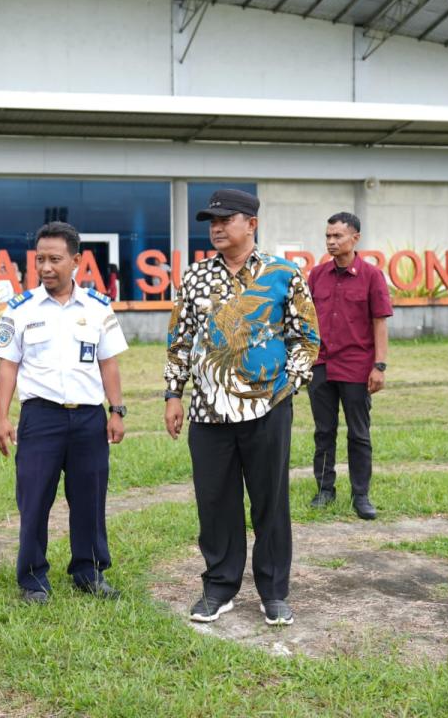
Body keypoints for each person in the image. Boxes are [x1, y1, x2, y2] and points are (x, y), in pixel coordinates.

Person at [163, 188, 319, 627]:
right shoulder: (194, 278)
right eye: (211, 220)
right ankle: (219, 587)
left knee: (271, 501)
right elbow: (179, 340)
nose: (215, 227)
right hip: (208, 412)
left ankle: (273, 592)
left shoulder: (283, 274)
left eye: (225, 219)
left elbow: (306, 338)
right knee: (215, 502)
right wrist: (174, 394)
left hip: (267, 409)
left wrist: (286, 386)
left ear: (251, 223)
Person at [0, 221, 128, 603]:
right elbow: (7, 366)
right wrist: (2, 419)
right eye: (40, 260)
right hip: (40, 418)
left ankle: (89, 571)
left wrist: (116, 411)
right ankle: (33, 577)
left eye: (55, 259)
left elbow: (109, 364)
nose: (46, 267)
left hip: (89, 419)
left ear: (77, 261)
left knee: (90, 499)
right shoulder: (21, 309)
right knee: (34, 499)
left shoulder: (98, 308)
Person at [306, 212, 393, 520]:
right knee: (323, 431)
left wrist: (379, 365)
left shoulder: (371, 276)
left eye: (337, 236)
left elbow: (379, 322)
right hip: (321, 365)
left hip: (357, 367)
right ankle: (325, 490)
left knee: (358, 433)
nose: (331, 241)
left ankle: (361, 495)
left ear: (355, 238)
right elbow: (305, 321)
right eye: (328, 236)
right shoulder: (316, 276)